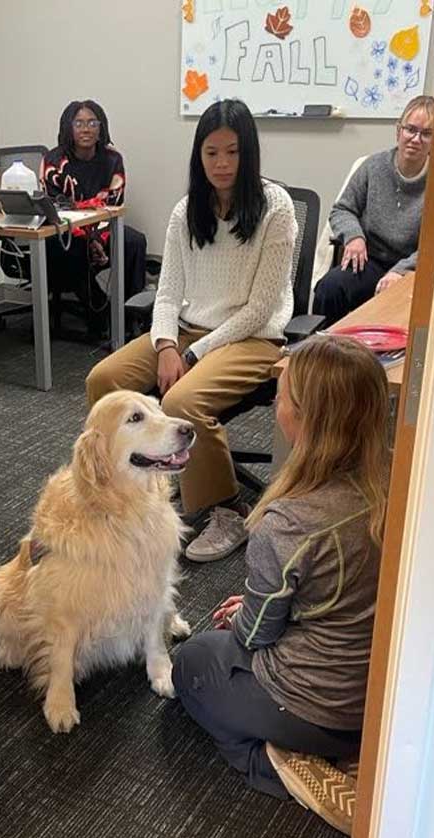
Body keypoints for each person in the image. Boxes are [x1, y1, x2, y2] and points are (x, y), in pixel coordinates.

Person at [171, 334, 390, 836]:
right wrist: (259, 603)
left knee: (193, 663)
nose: (275, 404)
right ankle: (349, 753)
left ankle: (282, 765)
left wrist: (247, 614)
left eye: (282, 397)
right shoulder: (397, 478)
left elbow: (254, 637)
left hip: (312, 704)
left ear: (307, 419)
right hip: (378, 699)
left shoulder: (288, 521)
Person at [86, 99, 297, 562]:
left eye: (232, 152)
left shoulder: (275, 208)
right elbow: (166, 293)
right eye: (211, 153)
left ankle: (227, 509)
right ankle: (122, 484)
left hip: (253, 337)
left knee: (183, 400)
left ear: (249, 155)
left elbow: (262, 306)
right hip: (185, 329)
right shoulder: (187, 210)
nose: (221, 164)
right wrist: (165, 344)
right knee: (103, 380)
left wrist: (194, 353)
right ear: (198, 156)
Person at [313, 95, 434, 326]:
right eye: (410, 129)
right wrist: (354, 237)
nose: (416, 139)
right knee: (330, 287)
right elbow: (342, 209)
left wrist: (400, 271)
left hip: (412, 269)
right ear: (398, 131)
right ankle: (323, 356)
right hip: (370, 259)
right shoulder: (372, 166)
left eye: (426, 133)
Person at [40, 99, 147, 335]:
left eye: (92, 123)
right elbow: (57, 209)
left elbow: (112, 205)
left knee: (134, 242)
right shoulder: (54, 161)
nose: (85, 129)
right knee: (77, 249)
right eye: (78, 123)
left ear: (101, 128)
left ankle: (132, 317)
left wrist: (96, 236)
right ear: (68, 127)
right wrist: (89, 238)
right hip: (66, 233)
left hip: (103, 227)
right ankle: (101, 313)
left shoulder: (112, 159)